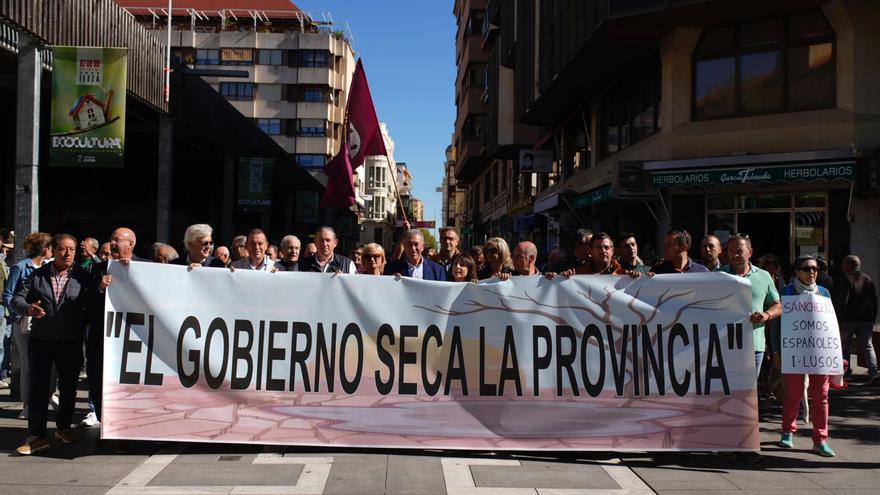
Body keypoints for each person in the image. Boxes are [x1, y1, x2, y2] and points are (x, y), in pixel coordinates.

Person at [11, 234, 96, 455]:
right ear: (53, 250)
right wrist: (28, 308)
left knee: (68, 388)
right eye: (62, 249)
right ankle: (36, 435)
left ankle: (64, 428)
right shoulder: (37, 275)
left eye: (71, 249)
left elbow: (92, 304)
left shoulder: (83, 277)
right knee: (39, 388)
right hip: (41, 341)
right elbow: (16, 300)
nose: (67, 254)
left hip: (70, 341)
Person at [772, 255, 836, 457]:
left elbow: (831, 324)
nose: (812, 273)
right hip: (793, 351)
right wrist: (776, 351)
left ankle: (820, 439)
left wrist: (836, 352)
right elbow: (775, 326)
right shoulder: (785, 293)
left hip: (819, 352)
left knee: (821, 396)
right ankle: (787, 432)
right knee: (792, 394)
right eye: (807, 269)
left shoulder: (824, 293)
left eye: (815, 269)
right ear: (796, 272)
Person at [86, 227, 149, 431]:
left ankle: (130, 428)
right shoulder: (97, 270)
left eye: (118, 241)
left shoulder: (147, 268)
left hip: (134, 341)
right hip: (103, 338)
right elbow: (84, 301)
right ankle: (108, 426)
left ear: (131, 244)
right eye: (111, 240)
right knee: (99, 382)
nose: (113, 244)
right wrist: (100, 287)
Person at [2, 232, 53, 420]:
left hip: (47, 321)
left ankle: (48, 395)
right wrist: (19, 313)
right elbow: (8, 295)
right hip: (25, 320)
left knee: (49, 362)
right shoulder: (20, 267)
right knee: (28, 364)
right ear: (46, 249)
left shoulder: (50, 267)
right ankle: (27, 403)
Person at [724, 234, 782, 380]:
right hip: (723, 344)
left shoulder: (764, 276)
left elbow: (777, 305)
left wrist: (766, 315)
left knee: (748, 393)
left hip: (754, 346)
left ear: (750, 252)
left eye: (739, 251)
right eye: (731, 251)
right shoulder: (717, 275)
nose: (735, 255)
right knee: (725, 392)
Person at [833, 255, 878, 384]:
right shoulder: (868, 279)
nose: (841, 266)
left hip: (849, 319)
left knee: (844, 345)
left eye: (843, 264)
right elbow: (874, 300)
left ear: (849, 266)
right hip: (866, 319)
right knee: (868, 346)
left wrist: (839, 318)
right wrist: (873, 316)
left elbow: (842, 301)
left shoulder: (846, 279)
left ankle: (846, 372)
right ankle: (873, 372)